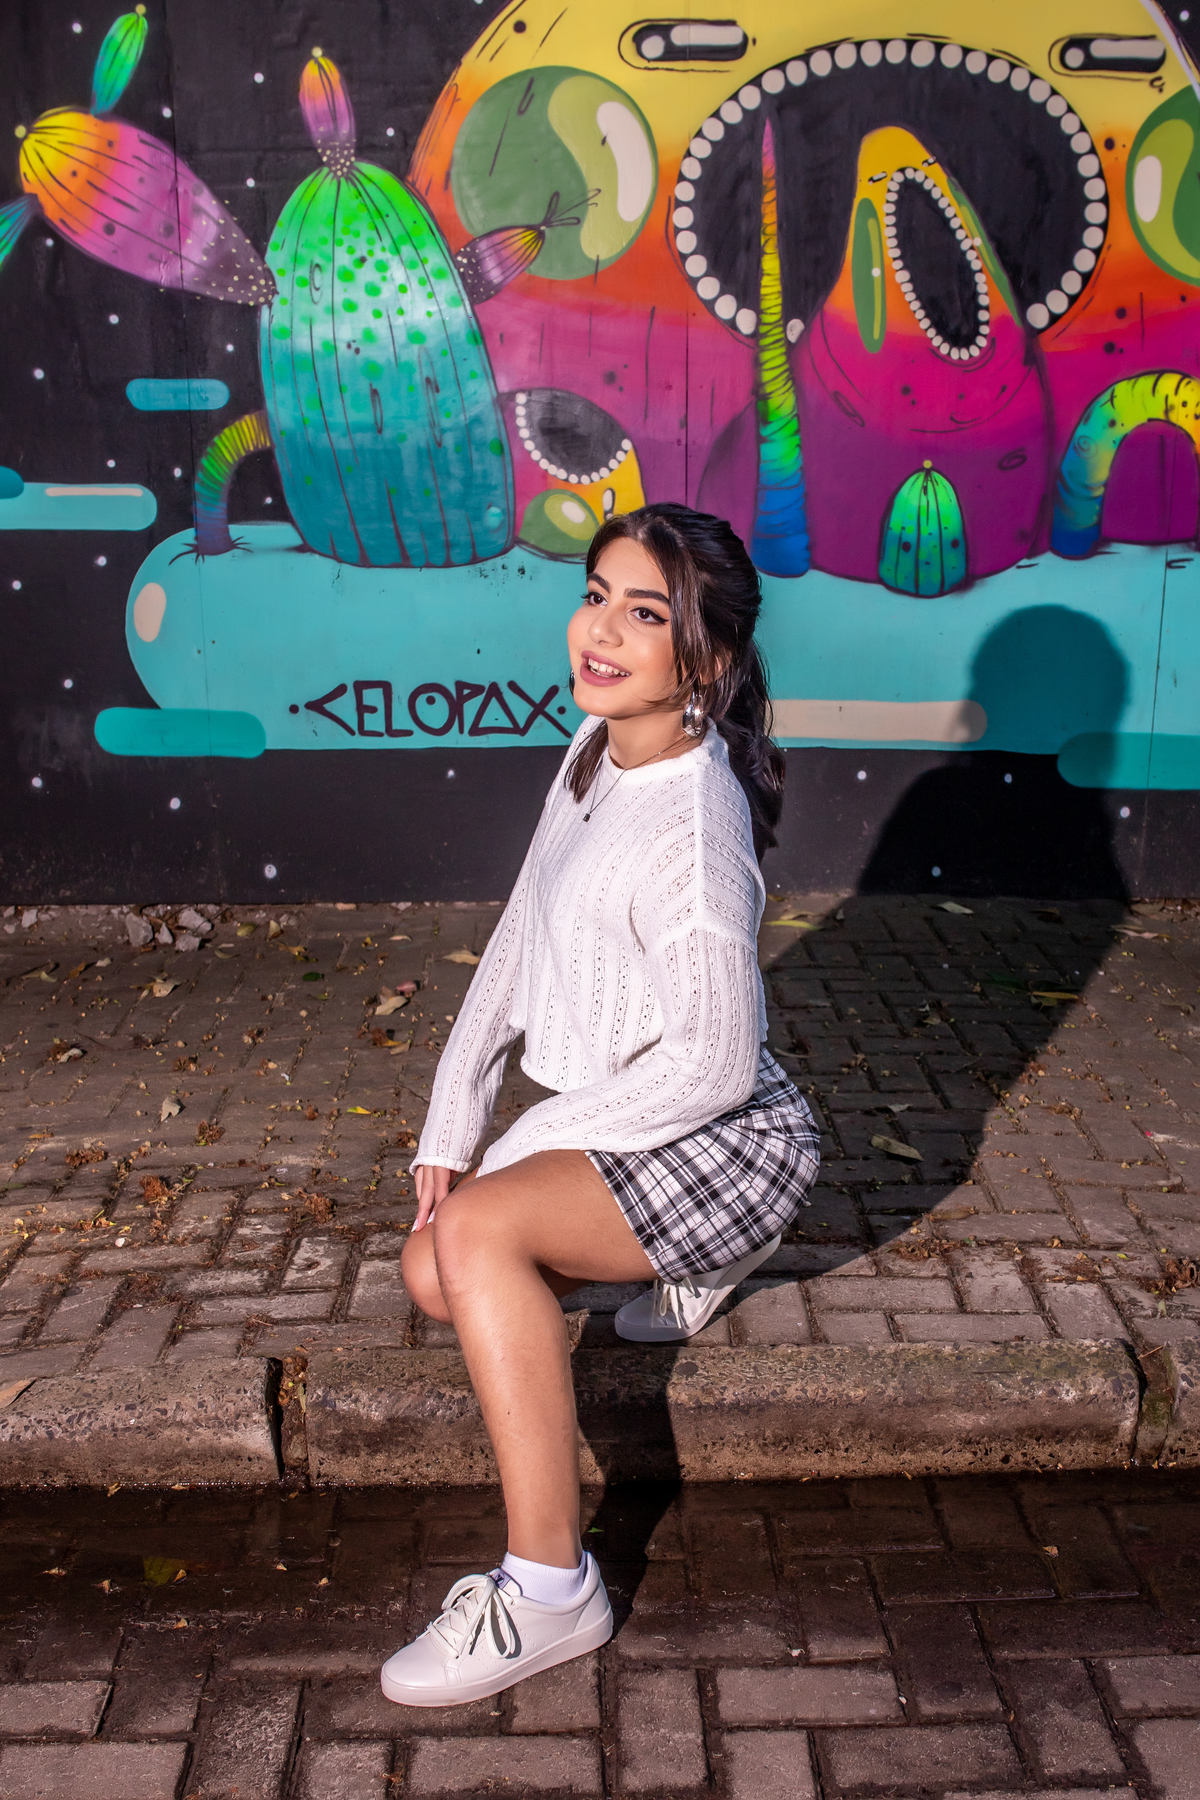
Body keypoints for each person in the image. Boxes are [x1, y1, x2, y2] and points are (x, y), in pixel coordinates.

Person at [380, 502, 820, 1708]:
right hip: (642, 1114)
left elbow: (716, 1065)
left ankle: (549, 1588)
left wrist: (518, 1145)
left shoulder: (694, 831)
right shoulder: (594, 746)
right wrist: (453, 1118)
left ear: (709, 660)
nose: (602, 631)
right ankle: (674, 1265)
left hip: (729, 1136)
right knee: (435, 1270)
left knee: (476, 1236)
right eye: (595, 596)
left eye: (645, 613)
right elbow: (521, 931)